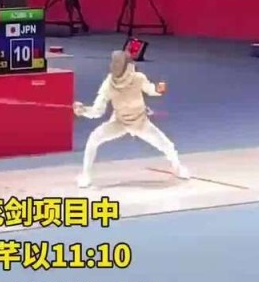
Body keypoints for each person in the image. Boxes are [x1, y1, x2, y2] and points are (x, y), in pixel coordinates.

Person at [73, 50, 190, 188]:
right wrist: (84, 110)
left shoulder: (138, 78)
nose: (114, 66)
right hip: (119, 122)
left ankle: (178, 168)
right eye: (114, 63)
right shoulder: (108, 84)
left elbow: (151, 90)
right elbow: (97, 111)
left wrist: (158, 90)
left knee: (167, 145)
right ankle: (86, 175)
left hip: (140, 122)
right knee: (93, 139)